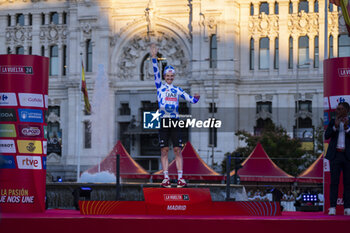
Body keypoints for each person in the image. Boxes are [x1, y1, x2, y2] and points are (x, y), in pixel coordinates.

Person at [150, 44, 200, 188]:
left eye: (172, 76)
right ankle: (165, 178)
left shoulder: (177, 89)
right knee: (164, 150)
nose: (170, 78)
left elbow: (191, 99)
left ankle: (180, 178)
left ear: (174, 77)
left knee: (177, 149)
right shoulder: (160, 87)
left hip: (175, 121)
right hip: (164, 121)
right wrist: (154, 58)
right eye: (167, 76)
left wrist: (197, 98)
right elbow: (155, 73)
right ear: (165, 76)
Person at [325, 101, 350, 215]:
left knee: (347, 182)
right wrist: (335, 127)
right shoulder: (332, 121)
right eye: (337, 109)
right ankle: (332, 207)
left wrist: (347, 128)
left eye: (340, 109)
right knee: (334, 182)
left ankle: (347, 207)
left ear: (346, 110)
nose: (337, 111)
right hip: (335, 155)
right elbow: (326, 135)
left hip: (347, 155)